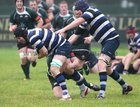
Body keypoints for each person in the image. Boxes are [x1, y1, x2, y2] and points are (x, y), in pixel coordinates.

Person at [56, 0, 133, 99]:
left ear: (83, 8)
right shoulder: (84, 21)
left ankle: (101, 94)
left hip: (112, 39)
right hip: (106, 42)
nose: (76, 12)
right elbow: (75, 36)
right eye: (75, 10)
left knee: (101, 63)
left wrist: (64, 29)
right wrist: (63, 45)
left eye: (78, 10)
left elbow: (79, 21)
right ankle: (125, 86)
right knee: (107, 69)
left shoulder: (91, 10)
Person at [13, 27, 91, 101]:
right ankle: (84, 88)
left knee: (54, 69)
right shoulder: (31, 32)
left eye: (19, 38)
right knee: (68, 70)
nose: (19, 40)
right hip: (61, 46)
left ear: (23, 35)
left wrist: (36, 57)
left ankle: (66, 95)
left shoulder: (32, 38)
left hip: (61, 46)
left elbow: (45, 52)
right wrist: (35, 54)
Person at [9, 0, 43, 80]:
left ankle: (34, 60)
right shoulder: (13, 14)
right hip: (20, 39)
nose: (19, 3)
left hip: (30, 38)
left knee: (31, 58)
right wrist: (12, 28)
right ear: (15, 3)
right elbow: (10, 27)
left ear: (23, 3)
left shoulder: (30, 12)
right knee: (23, 58)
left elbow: (40, 21)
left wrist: (35, 31)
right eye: (18, 2)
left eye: (21, 2)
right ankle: (27, 77)